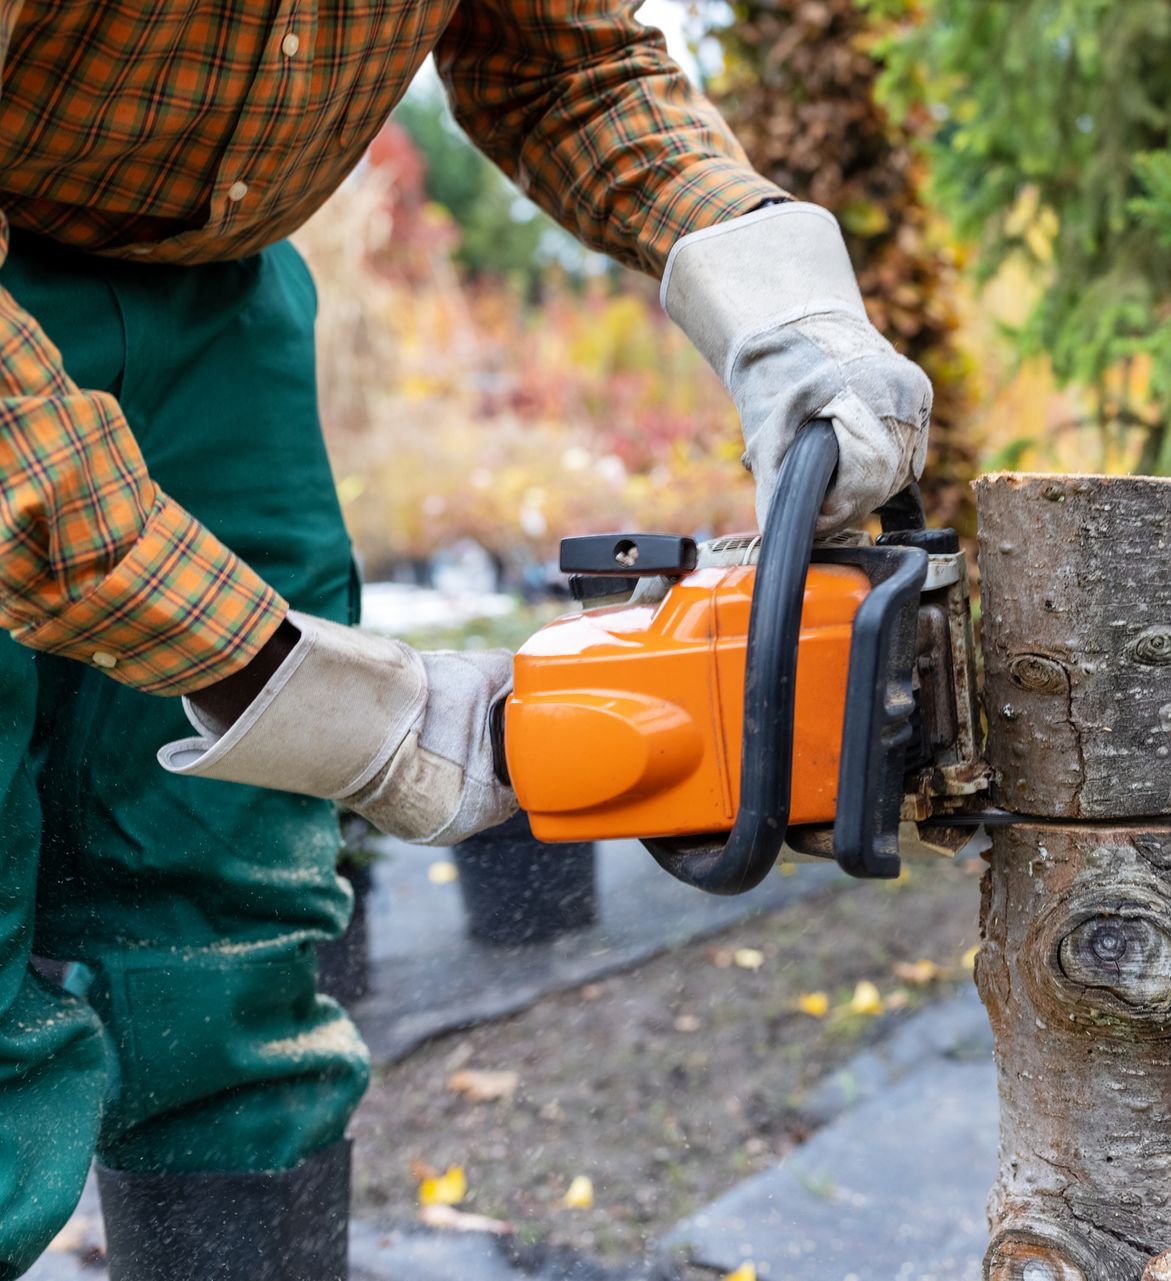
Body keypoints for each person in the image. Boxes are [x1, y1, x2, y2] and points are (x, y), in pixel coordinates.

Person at [0, 5, 931, 1278]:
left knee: (226, 933)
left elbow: (567, 59)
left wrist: (781, 297)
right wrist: (323, 699)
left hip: (222, 310)